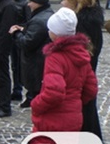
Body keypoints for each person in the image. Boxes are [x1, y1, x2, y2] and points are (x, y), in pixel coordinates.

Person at [30, 7, 97, 139]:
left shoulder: (55, 56)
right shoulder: (82, 53)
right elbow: (91, 89)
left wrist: (36, 104)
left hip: (53, 119)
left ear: (55, 33)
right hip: (74, 117)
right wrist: (74, 102)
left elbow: (54, 92)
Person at [60, 0, 104, 141]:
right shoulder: (85, 19)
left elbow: (85, 53)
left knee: (85, 116)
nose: (62, 2)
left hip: (81, 77)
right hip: (84, 76)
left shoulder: (83, 22)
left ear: (75, 0)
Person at [8, 0, 53, 109]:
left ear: (38, 3)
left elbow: (27, 43)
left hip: (35, 61)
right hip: (40, 59)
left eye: (31, 2)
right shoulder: (46, 13)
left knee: (36, 90)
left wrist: (16, 33)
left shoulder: (39, 20)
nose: (28, 4)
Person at [8, 0, 30, 102]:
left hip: (21, 37)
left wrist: (21, 29)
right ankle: (16, 90)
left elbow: (29, 21)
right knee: (14, 65)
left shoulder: (26, 2)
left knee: (22, 65)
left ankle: (27, 91)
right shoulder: (11, 0)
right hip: (11, 37)